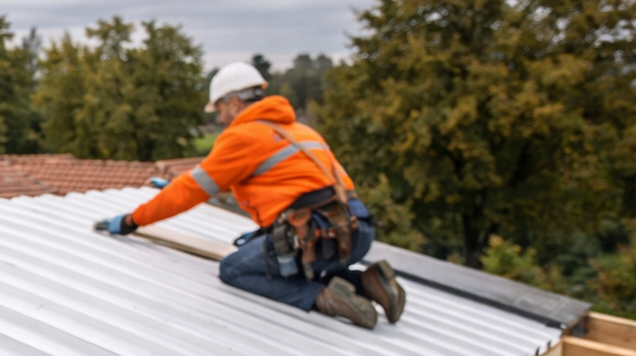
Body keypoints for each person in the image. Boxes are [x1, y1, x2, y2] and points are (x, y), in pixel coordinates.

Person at [95, 62, 406, 330]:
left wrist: (132, 220)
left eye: (219, 109)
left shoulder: (242, 136)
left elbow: (190, 191)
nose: (219, 119)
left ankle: (326, 298)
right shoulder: (301, 131)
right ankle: (368, 282)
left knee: (234, 268)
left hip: (316, 239)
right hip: (355, 233)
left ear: (232, 103)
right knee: (287, 255)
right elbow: (282, 186)